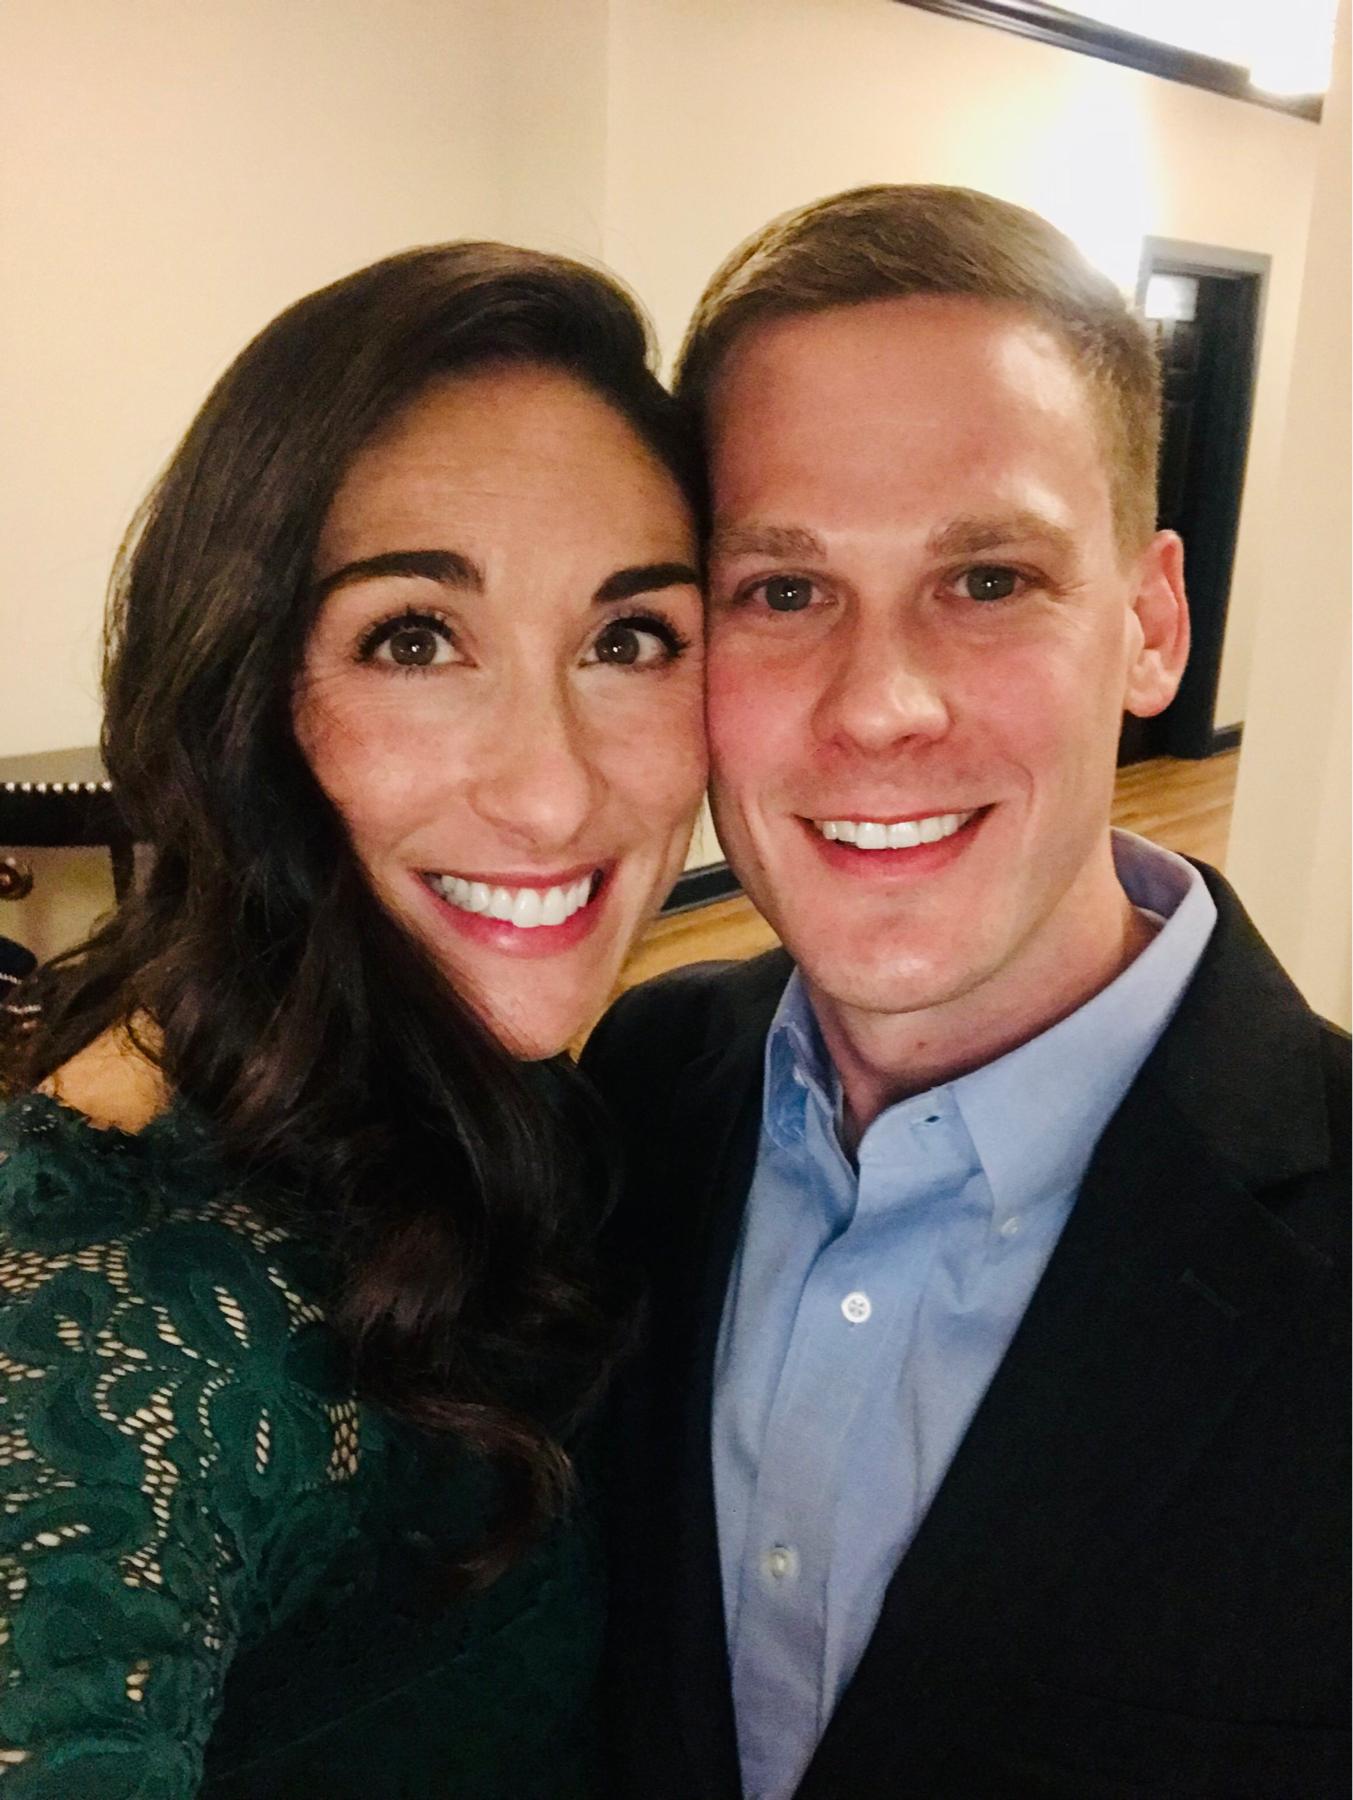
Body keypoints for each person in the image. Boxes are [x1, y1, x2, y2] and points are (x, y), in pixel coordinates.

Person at [584, 185, 1349, 1799]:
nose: (881, 706)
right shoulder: (636, 1093)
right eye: (782, 591)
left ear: (1148, 627)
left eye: (988, 579)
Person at [0, 242, 706, 1796]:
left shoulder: (537, 1079)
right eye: (414, 638)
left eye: (629, 639)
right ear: (245, 689)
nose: (552, 792)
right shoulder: (117, 1319)